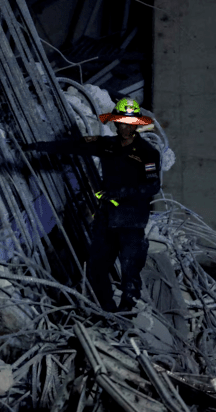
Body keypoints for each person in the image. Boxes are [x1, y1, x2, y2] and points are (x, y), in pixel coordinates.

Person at [25, 98, 160, 312]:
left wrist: (121, 192)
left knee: (129, 268)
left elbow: (152, 186)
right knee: (96, 267)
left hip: (131, 220)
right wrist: (40, 146)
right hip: (107, 217)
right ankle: (107, 309)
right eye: (121, 122)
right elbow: (77, 145)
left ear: (136, 125)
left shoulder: (148, 153)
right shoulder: (108, 145)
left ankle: (127, 311)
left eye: (129, 122)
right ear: (116, 123)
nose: (125, 126)